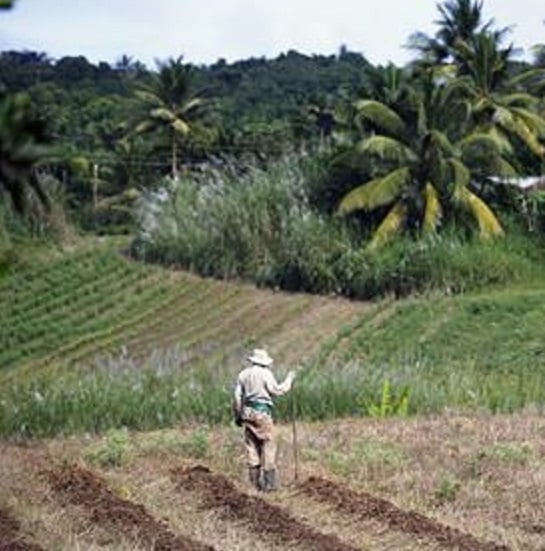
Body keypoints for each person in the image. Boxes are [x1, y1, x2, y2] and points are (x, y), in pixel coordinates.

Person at [232, 348, 296, 491]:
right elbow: (276, 391)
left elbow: (237, 398)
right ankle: (270, 485)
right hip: (262, 413)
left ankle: (255, 485)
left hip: (247, 414)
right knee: (269, 444)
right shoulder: (265, 374)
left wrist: (238, 416)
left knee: (252, 447)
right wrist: (289, 380)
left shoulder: (243, 375)